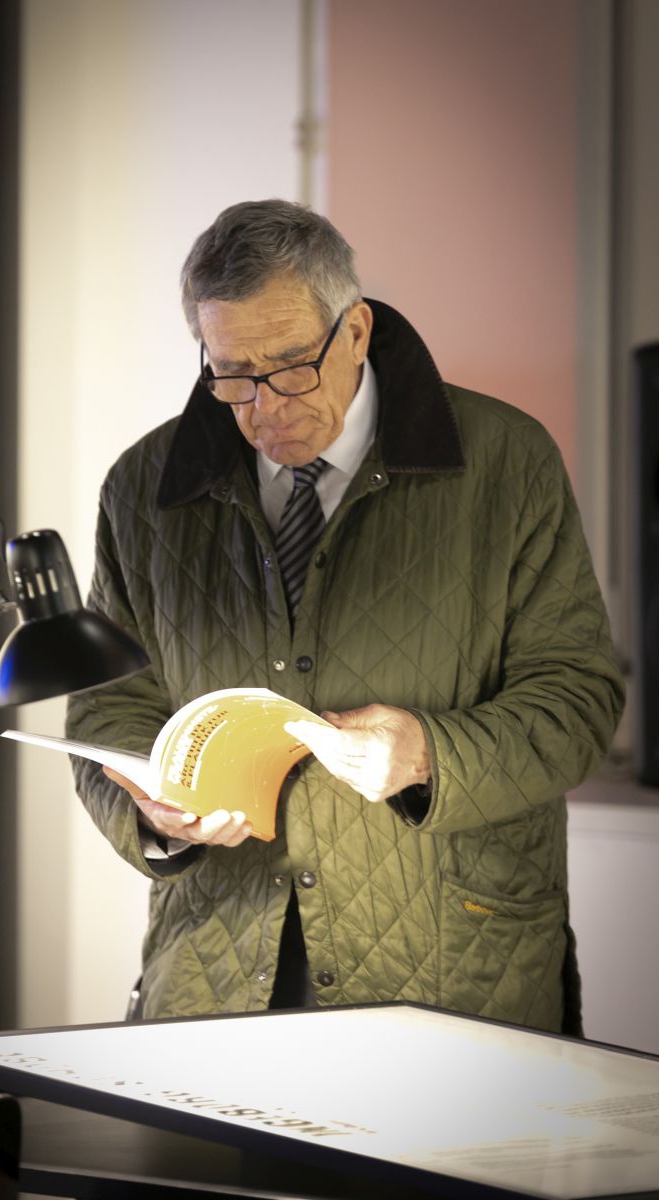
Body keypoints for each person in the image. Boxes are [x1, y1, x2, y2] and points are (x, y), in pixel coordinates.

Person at [67, 199, 624, 1034]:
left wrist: (429, 755)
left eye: (292, 365)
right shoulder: (141, 489)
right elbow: (105, 710)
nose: (265, 406)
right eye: (233, 374)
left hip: (456, 973)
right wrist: (152, 813)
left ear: (355, 331)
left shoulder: (508, 463)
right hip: (216, 973)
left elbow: (578, 702)